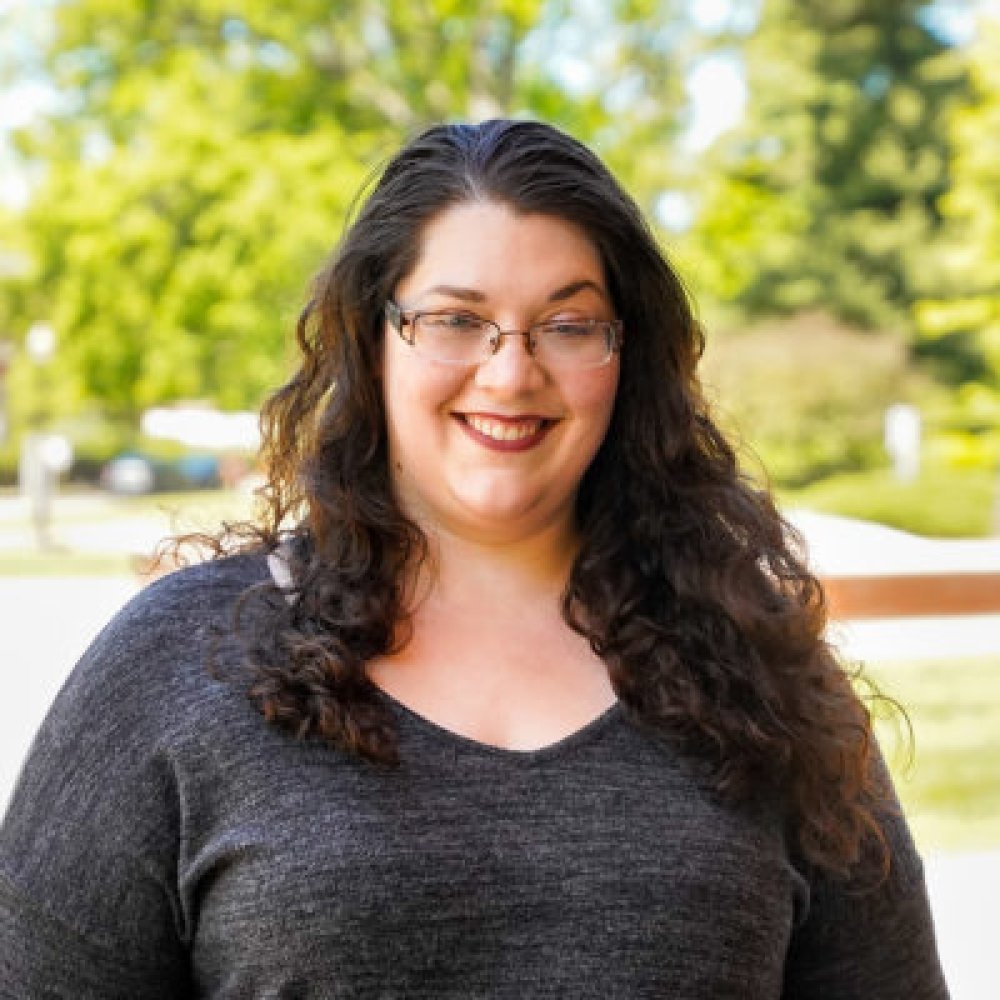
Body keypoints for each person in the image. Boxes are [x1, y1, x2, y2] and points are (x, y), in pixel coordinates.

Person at [0, 119, 948, 998]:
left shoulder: (763, 677)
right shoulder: (178, 666)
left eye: (569, 324)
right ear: (372, 341)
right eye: (456, 320)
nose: (511, 371)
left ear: (628, 356)